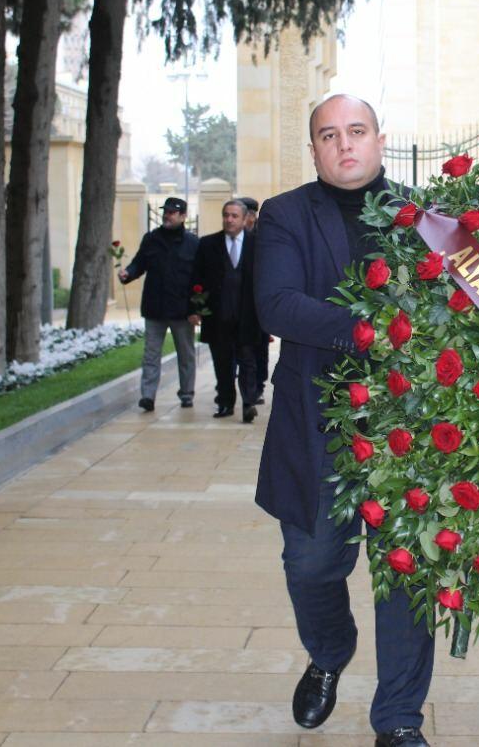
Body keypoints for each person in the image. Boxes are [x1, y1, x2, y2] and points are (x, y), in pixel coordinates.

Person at [253, 94, 433, 747]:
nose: (344, 144)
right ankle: (329, 650)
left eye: (356, 131)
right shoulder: (284, 216)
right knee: (311, 564)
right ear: (315, 149)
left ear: (380, 139)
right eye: (329, 135)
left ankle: (400, 718)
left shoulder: (425, 216)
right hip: (317, 423)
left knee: (404, 569)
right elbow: (278, 305)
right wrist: (374, 329)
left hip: (410, 427)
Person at [118, 197, 199, 411]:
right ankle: (148, 396)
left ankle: (187, 393)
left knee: (186, 354)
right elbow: (139, 263)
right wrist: (128, 273)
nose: (167, 215)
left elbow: (199, 278)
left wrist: (197, 309)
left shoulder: (192, 243)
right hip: (155, 308)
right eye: (166, 211)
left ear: (183, 216)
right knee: (151, 355)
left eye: (173, 212)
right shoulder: (151, 239)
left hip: (182, 310)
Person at [190, 199, 265, 423]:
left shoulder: (257, 244)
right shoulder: (207, 244)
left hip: (248, 317)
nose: (229, 220)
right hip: (218, 316)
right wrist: (195, 309)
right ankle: (225, 403)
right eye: (226, 215)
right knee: (222, 363)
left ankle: (249, 402)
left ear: (245, 219)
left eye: (234, 216)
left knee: (248, 362)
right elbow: (196, 279)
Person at [238, 195, 269, 405]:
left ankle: (258, 384)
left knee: (259, 347)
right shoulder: (233, 237)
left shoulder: (263, 236)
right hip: (238, 304)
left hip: (258, 303)